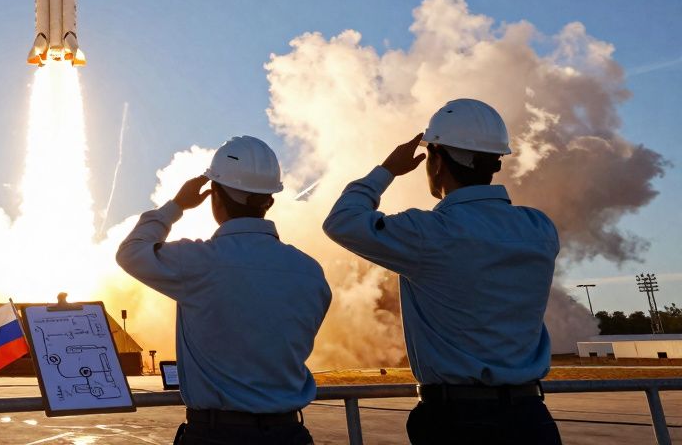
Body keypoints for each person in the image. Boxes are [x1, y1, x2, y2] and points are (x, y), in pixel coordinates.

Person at [323, 98, 562, 445]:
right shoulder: (540, 228)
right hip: (532, 420)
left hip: (458, 422)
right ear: (494, 162)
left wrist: (386, 170)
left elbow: (343, 221)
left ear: (437, 161)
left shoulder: (428, 233)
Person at [118, 136, 331, 445]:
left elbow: (132, 252)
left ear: (214, 195)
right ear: (270, 199)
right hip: (290, 434)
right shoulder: (310, 271)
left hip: (217, 434)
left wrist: (176, 206)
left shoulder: (197, 262)